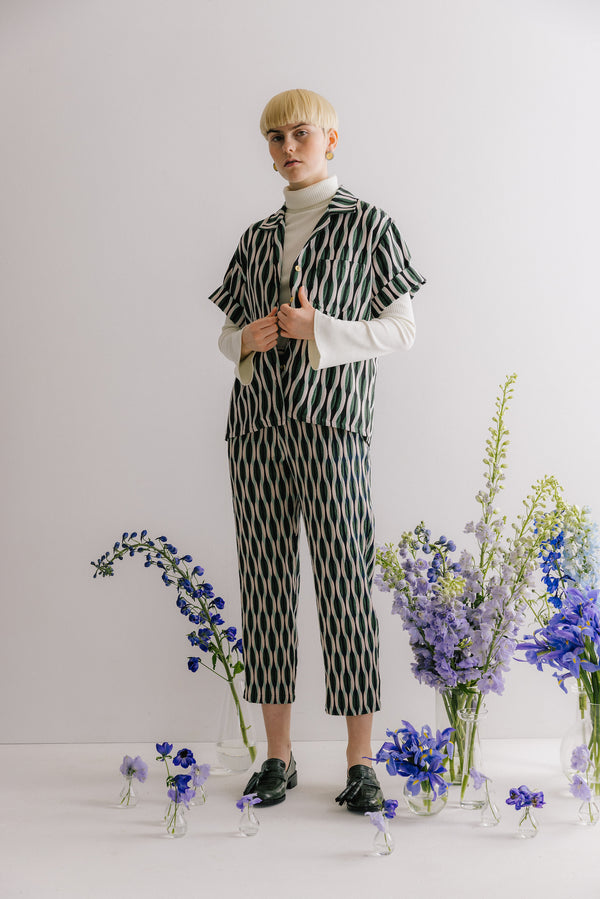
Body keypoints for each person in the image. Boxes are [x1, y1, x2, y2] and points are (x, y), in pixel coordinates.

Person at [209, 88, 425, 812]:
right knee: (265, 586)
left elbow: (402, 329)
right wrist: (244, 340)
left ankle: (361, 760)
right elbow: (226, 334)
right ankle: (278, 755)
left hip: (334, 426)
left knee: (344, 584)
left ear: (330, 139)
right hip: (257, 429)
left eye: (300, 133)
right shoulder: (256, 237)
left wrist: (319, 329)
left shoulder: (369, 226)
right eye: (275, 137)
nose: (287, 147)